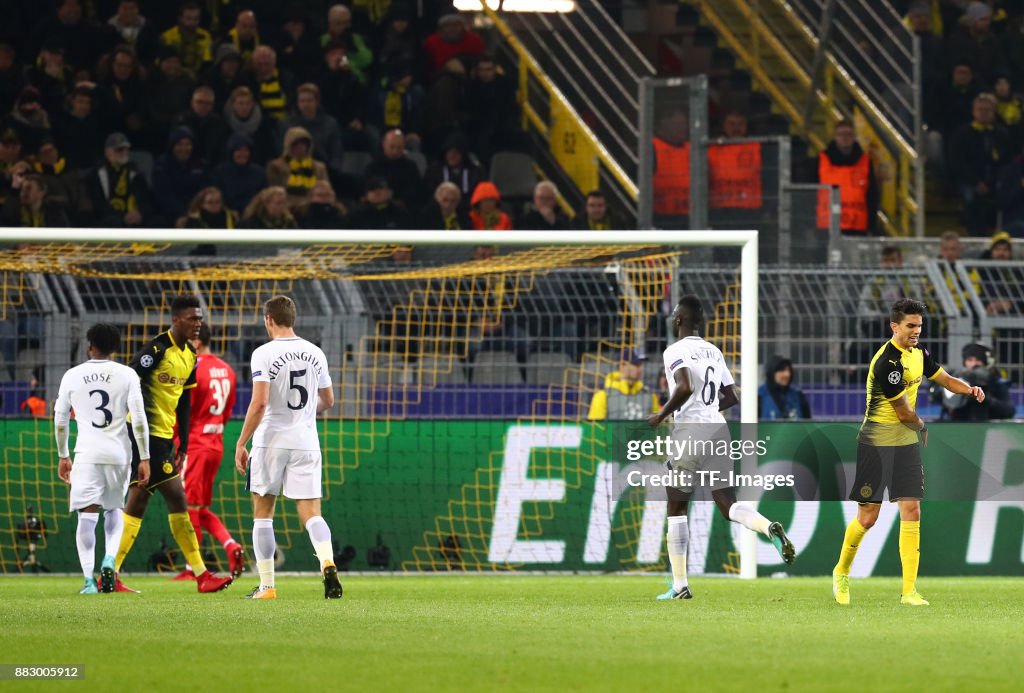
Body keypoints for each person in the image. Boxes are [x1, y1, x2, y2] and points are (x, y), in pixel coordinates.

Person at [832, 298, 984, 607]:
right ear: (895, 326)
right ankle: (842, 571)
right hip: (876, 440)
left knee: (912, 509)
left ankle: (909, 591)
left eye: (919, 326)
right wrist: (923, 425)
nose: (916, 332)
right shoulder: (887, 363)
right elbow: (904, 414)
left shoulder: (919, 354)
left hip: (904, 442)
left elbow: (944, 379)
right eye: (911, 326)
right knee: (868, 517)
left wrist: (968, 389)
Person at [647, 296, 795, 600]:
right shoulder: (713, 351)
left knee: (676, 507)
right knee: (728, 505)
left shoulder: (675, 350)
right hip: (718, 428)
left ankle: (680, 586)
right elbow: (731, 396)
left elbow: (684, 385)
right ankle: (769, 528)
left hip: (690, 430)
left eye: (674, 315)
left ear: (678, 320)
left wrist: (662, 414)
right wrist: (709, 407)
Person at [114, 296, 234, 593]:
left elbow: (185, 403)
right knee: (178, 498)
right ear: (177, 320)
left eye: (200, 320)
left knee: (138, 502)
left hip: (165, 438)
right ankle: (202, 574)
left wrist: (183, 445)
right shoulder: (157, 349)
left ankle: (108, 570)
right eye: (193, 319)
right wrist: (129, 421)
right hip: (145, 435)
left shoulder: (190, 356)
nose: (198, 324)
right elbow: (129, 377)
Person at [234, 295, 342, 600]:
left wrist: (242, 442)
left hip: (270, 442)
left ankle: (267, 586)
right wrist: (306, 414)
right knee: (312, 514)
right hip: (306, 442)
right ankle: (327, 561)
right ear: (292, 319)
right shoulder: (315, 353)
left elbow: (260, 402)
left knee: (263, 514)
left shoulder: (263, 354)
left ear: (269, 319)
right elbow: (329, 401)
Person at [55, 323, 150, 595]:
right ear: (115, 348)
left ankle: (88, 580)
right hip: (120, 454)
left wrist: (63, 454)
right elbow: (139, 418)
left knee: (87, 514)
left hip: (87, 454)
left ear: (90, 346)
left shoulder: (72, 375)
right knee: (114, 509)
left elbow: (61, 419)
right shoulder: (127, 374)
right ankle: (110, 559)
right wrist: (144, 457)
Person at [178, 323, 245, 580]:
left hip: (195, 443)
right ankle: (230, 544)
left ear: (195, 343)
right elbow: (227, 411)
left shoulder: (193, 369)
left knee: (188, 506)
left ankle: (191, 569)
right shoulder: (227, 370)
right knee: (200, 507)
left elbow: (185, 411)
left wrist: (178, 443)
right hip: (216, 443)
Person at [950, 93, 1011, 235]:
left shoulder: (1002, 134)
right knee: (972, 199)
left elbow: (1007, 160)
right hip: (970, 182)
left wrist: (996, 181)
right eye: (980, 109)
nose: (984, 113)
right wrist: (976, 182)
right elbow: (957, 162)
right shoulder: (962, 134)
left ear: (994, 112)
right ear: (973, 111)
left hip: (997, 182)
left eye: (988, 110)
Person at [816, 119, 878, 235]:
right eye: (841, 134)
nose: (845, 138)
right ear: (835, 137)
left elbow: (872, 196)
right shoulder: (821, 161)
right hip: (827, 227)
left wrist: (871, 226)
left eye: (849, 134)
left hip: (858, 228)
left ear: (854, 137)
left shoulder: (865, 162)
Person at [84, 132, 153, 228]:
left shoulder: (136, 173)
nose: (124, 152)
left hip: (136, 217)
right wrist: (123, 217)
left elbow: (146, 199)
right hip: (109, 220)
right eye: (119, 149)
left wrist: (140, 213)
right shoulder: (95, 175)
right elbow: (98, 204)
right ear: (108, 152)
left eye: (126, 149)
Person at [943, 342, 1015, 421]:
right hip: (959, 427)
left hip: (987, 428)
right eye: (970, 360)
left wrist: (985, 398)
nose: (973, 364)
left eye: (977, 360)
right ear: (965, 362)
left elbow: (1009, 411)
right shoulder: (958, 379)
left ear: (984, 363)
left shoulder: (995, 381)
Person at [266, 126, 328, 208]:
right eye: (296, 144)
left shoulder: (319, 167)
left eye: (303, 144)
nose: (300, 147)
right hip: (286, 208)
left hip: (315, 208)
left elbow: (325, 191)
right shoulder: (276, 167)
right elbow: (274, 194)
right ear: (288, 145)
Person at [587, 349, 658, 420]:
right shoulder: (603, 396)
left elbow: (659, 427)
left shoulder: (650, 396)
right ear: (622, 365)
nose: (641, 369)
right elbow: (595, 429)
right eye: (636, 364)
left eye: (641, 365)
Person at [757, 355, 812, 420]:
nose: (787, 374)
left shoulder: (798, 396)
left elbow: (808, 425)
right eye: (782, 370)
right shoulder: (759, 396)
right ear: (772, 372)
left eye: (789, 370)